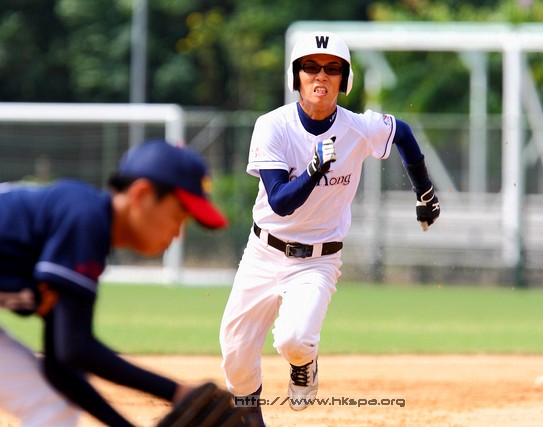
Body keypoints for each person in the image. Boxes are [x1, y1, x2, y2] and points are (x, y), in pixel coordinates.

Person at [219, 31, 441, 426]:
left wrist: (425, 193)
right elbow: (281, 201)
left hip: (317, 260)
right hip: (263, 253)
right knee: (235, 354)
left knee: (294, 340)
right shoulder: (273, 126)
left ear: (345, 79)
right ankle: (252, 420)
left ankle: (304, 364)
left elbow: (402, 134)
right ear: (297, 76)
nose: (320, 75)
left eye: (332, 68)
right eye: (310, 66)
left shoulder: (358, 128)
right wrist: (314, 169)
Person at [0, 139, 228, 427]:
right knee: (50, 404)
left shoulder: (81, 224)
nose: (177, 233)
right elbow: (75, 347)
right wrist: (176, 392)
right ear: (141, 194)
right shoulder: (84, 216)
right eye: (178, 215)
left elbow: (62, 366)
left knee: (51, 403)